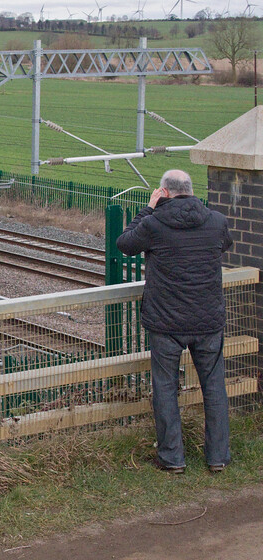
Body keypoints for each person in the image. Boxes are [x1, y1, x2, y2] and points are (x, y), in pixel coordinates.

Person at [116, 169, 233, 475]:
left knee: (166, 388)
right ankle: (218, 456)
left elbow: (125, 243)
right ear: (190, 190)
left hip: (166, 322)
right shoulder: (216, 221)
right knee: (214, 387)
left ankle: (172, 458)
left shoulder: (154, 223)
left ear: (164, 192)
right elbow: (225, 245)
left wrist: (149, 207)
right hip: (208, 320)